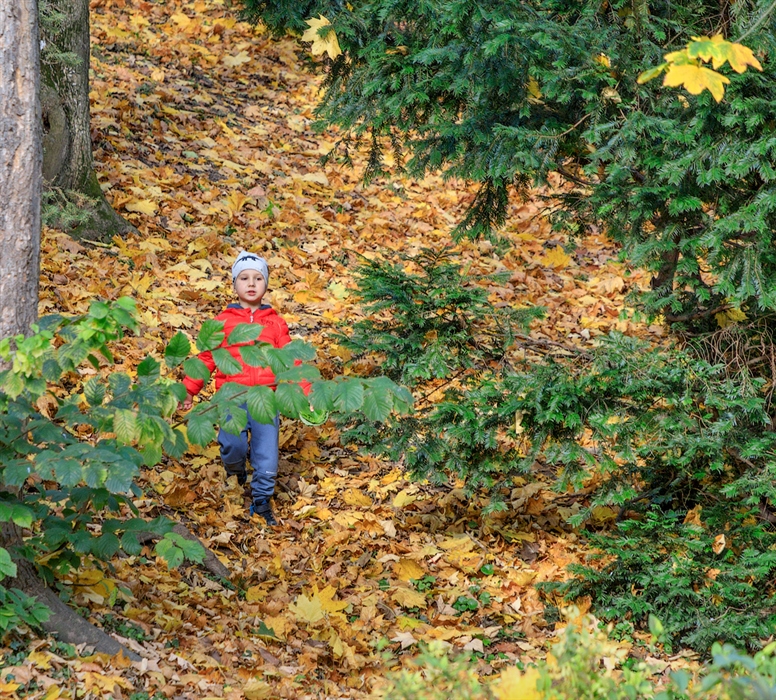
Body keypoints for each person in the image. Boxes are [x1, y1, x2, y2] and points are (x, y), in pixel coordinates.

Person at [181, 250, 300, 526]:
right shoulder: (222, 322)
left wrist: (303, 392)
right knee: (232, 445)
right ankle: (236, 471)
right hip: (231, 397)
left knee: (267, 457)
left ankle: (261, 502)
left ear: (265, 285)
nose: (251, 283)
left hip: (265, 399)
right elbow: (207, 357)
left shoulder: (275, 322)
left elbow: (290, 358)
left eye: (258, 278)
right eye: (244, 278)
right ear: (234, 284)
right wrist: (189, 389)